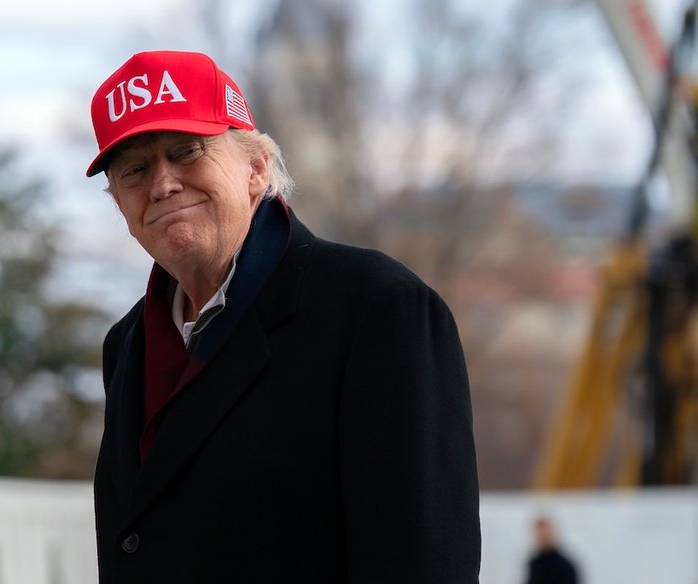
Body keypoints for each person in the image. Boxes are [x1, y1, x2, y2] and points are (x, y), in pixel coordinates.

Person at [88, 50, 480, 583]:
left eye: (186, 151)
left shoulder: (378, 309)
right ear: (119, 204)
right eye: (135, 169)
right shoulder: (127, 345)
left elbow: (422, 561)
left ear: (256, 168)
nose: (162, 183)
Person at [525, 516, 579, 584]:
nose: (542, 537)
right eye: (539, 535)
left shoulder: (564, 566)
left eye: (545, 533)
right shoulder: (535, 564)